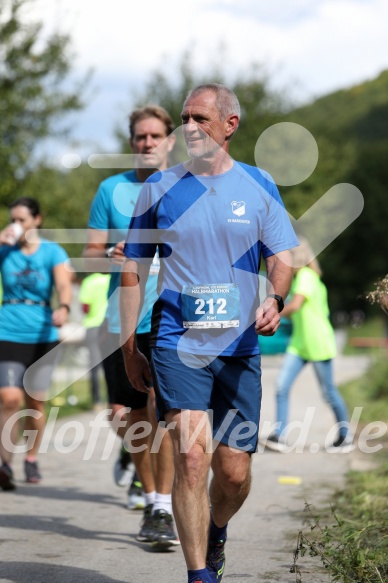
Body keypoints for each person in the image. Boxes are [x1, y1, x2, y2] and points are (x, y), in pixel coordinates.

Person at [120, 84, 298, 583]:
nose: (190, 127)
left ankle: (216, 528)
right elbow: (132, 271)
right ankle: (200, 575)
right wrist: (131, 346)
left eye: (200, 117)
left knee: (234, 474)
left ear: (230, 125)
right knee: (192, 459)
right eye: (185, 117)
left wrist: (274, 298)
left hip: (239, 347)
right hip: (178, 341)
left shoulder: (260, 184)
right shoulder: (157, 189)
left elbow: (281, 256)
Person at [83, 105, 179, 548]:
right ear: (131, 143)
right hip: (120, 315)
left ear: (170, 141)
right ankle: (138, 464)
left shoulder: (187, 187)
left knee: (164, 413)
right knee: (131, 416)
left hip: (172, 314)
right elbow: (91, 255)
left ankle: (159, 507)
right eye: (140, 137)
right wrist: (113, 257)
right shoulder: (110, 189)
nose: (148, 143)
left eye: (156, 135)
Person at [0, 197, 72, 490]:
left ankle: (31, 457)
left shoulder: (53, 251)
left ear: (37, 220)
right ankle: (4, 464)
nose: (17, 225)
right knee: (9, 399)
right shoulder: (5, 251)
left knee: (35, 402)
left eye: (22, 220)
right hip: (8, 331)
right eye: (13, 220)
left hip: (43, 336)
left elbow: (64, 283)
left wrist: (64, 306)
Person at [261, 237, 355, 453]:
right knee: (282, 386)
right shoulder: (302, 279)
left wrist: (270, 311)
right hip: (300, 343)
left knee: (328, 391)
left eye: (287, 256)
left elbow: (295, 305)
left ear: (297, 257)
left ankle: (346, 436)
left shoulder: (306, 276)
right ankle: (280, 436)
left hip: (317, 341)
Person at [78, 272, 110, 407]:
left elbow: (85, 307)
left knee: (94, 365)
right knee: (111, 364)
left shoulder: (88, 281)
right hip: (110, 326)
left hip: (92, 326)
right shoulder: (113, 278)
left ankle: (96, 401)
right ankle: (113, 398)